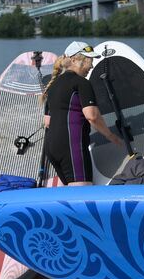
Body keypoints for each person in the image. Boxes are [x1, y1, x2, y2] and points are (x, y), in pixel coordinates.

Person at [42, 43, 123, 185]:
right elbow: (92, 115)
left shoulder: (53, 85)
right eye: (88, 61)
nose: (91, 66)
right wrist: (111, 136)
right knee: (82, 195)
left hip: (51, 146)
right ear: (74, 60)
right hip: (71, 146)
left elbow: (47, 122)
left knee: (71, 195)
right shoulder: (81, 83)